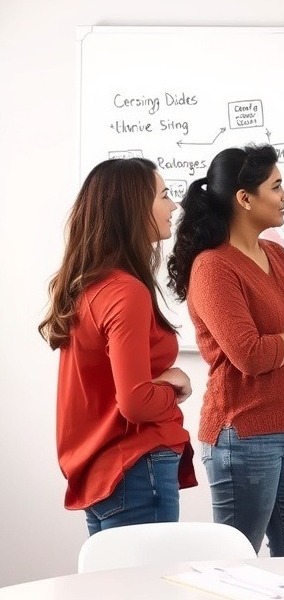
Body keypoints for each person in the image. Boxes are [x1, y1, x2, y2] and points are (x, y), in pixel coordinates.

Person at [167, 144, 284, 556]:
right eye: (277, 187)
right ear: (245, 199)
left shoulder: (277, 256)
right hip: (242, 435)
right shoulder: (213, 267)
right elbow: (251, 355)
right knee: (236, 564)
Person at [38, 158, 197, 535]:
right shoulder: (126, 291)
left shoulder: (90, 285)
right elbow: (136, 402)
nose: (174, 206)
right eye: (164, 195)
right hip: (135, 468)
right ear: (132, 208)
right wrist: (175, 385)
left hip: (107, 473)